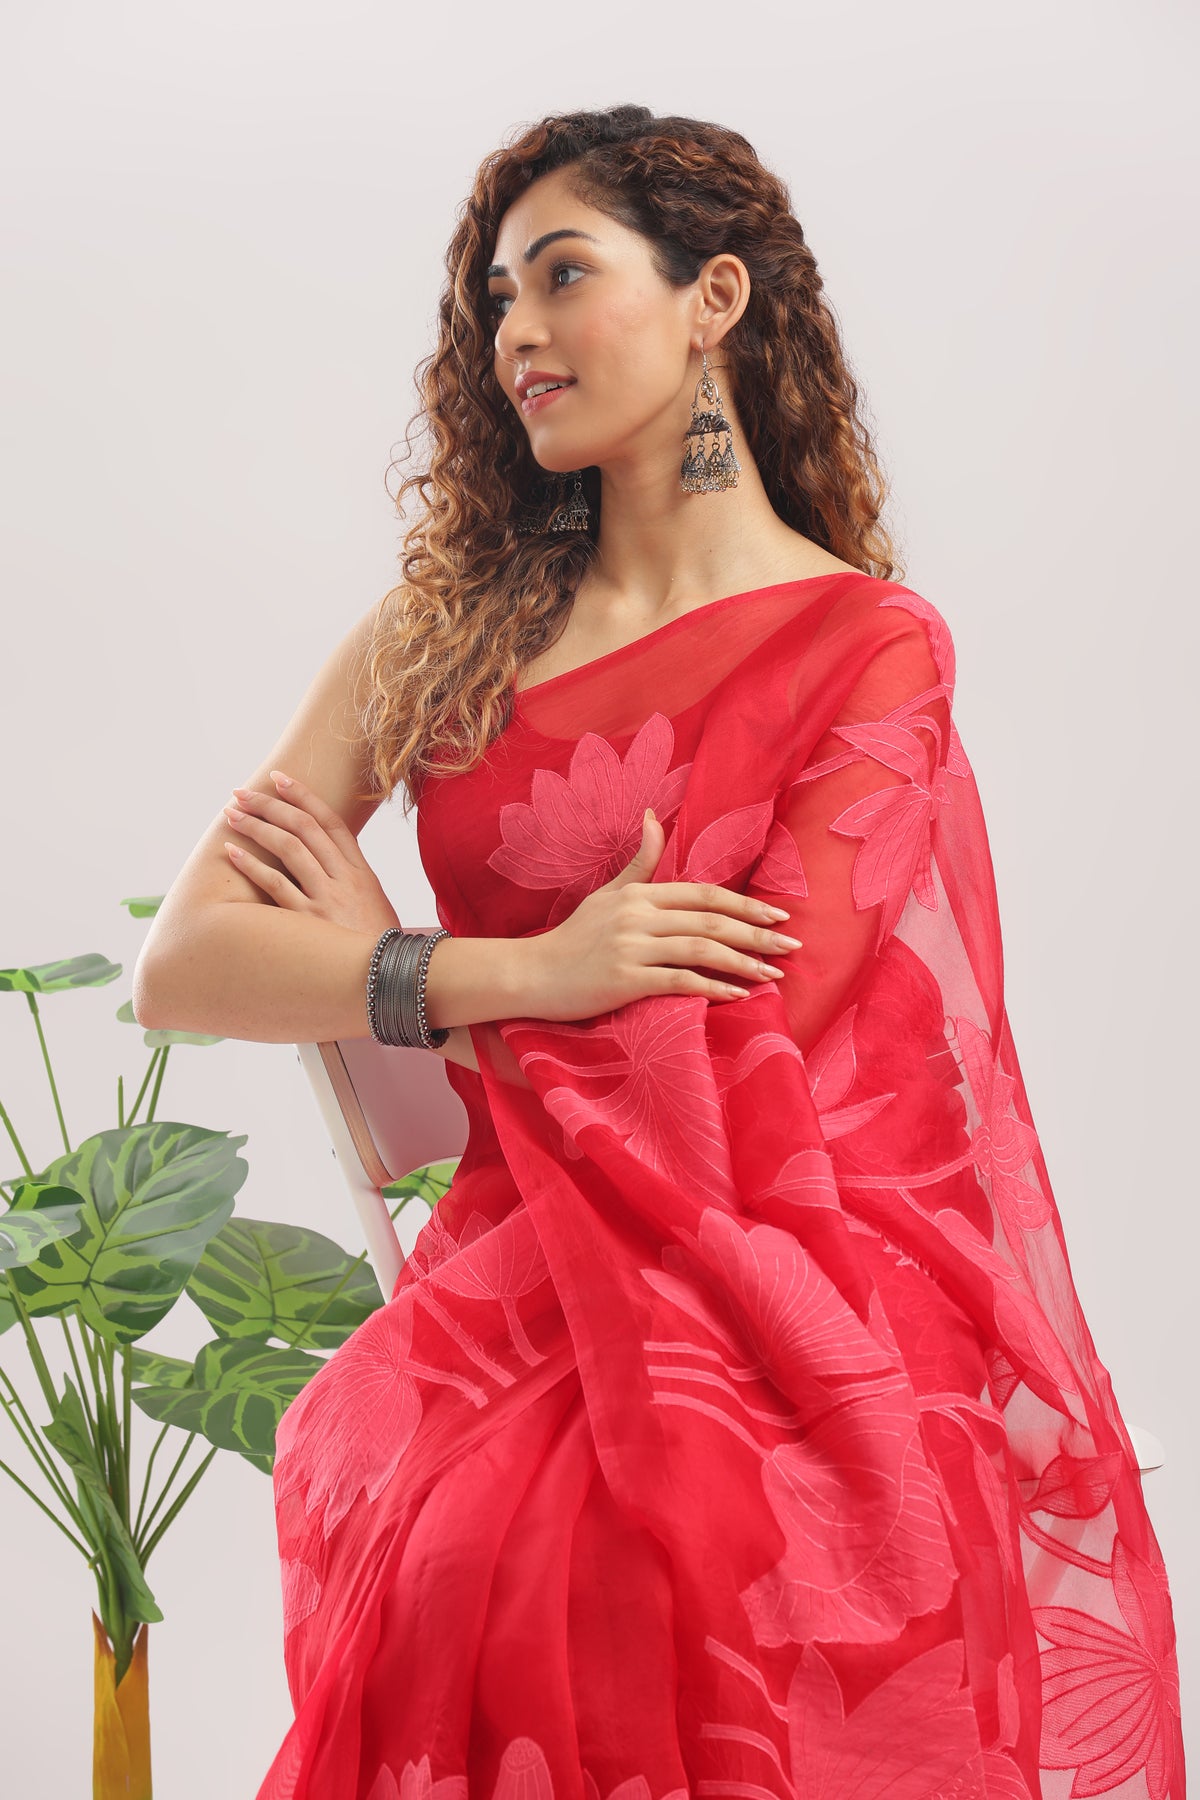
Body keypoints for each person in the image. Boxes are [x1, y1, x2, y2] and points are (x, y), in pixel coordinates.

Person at [133, 104, 1185, 1800]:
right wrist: (496, 973)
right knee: (452, 1539)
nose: (517, 334)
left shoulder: (867, 650)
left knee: (620, 1553)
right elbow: (187, 962)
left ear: (715, 299)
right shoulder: (443, 634)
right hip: (517, 1272)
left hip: (796, 1289)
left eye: (563, 277)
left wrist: (392, 974)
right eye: (496, 300)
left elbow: (751, 1050)